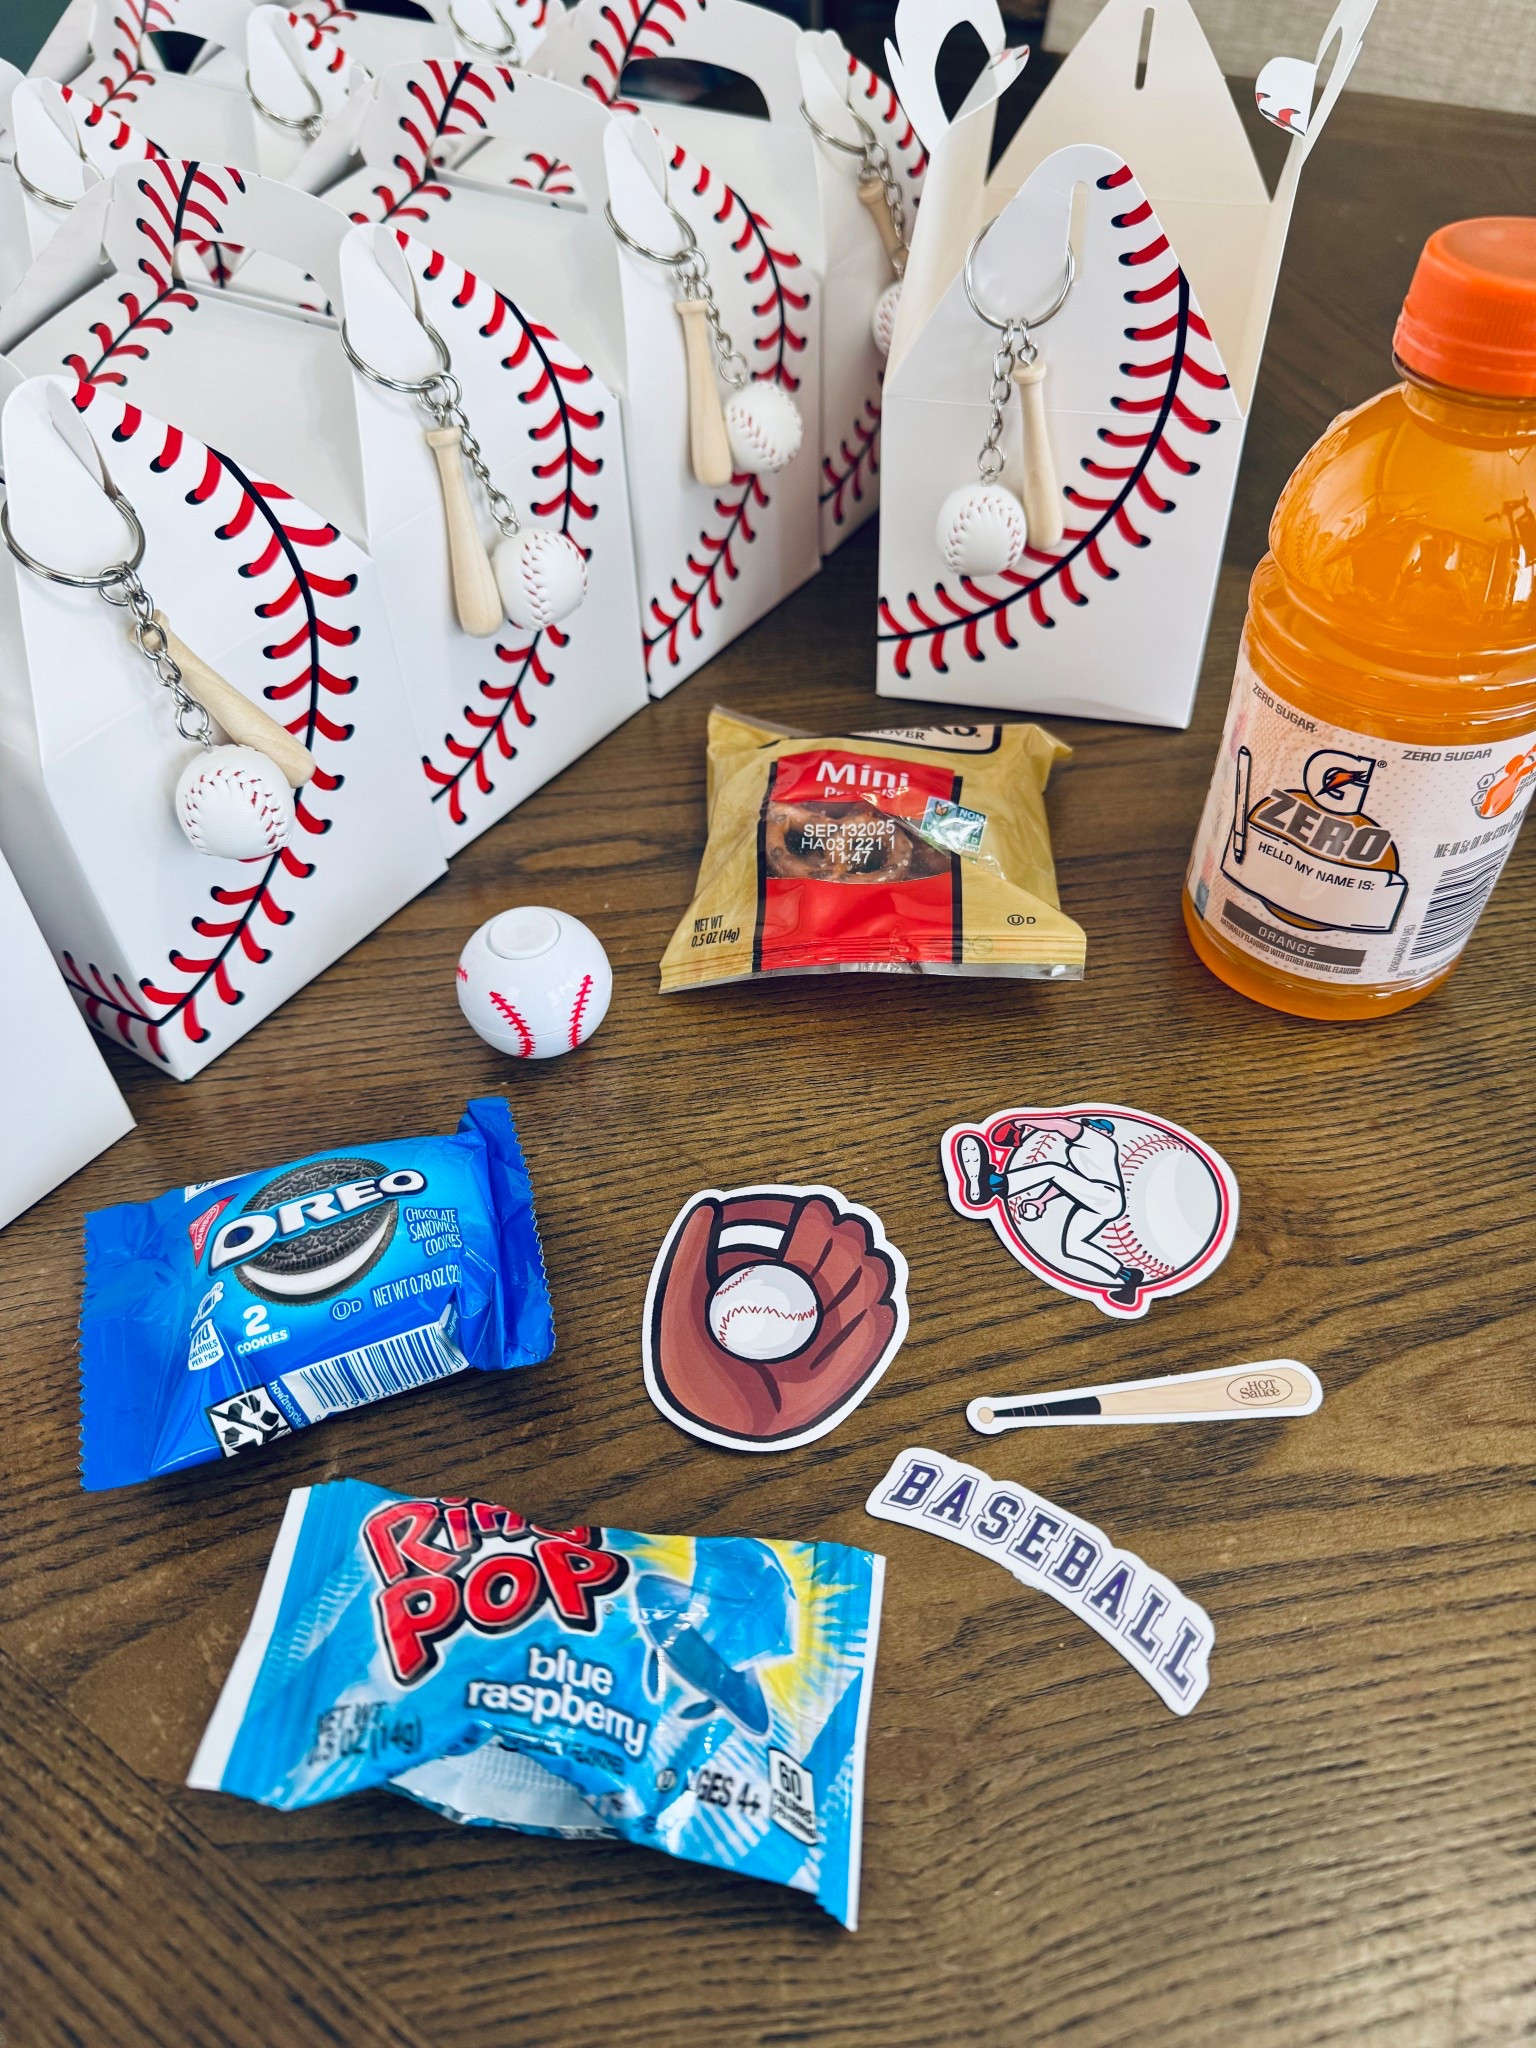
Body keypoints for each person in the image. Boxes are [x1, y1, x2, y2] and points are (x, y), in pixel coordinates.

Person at [956, 1115, 1146, 1306]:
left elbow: (1059, 1125)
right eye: (1089, 1126)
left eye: (1095, 1127)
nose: (1088, 1129)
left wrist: (1021, 1123)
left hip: (1105, 1196)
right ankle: (1129, 1277)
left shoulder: (1100, 1142)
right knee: (1073, 1246)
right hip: (1099, 1201)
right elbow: (1066, 1182)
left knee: (1051, 1169)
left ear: (1106, 1133)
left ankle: (995, 1184)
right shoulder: (1080, 1152)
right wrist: (1041, 1201)